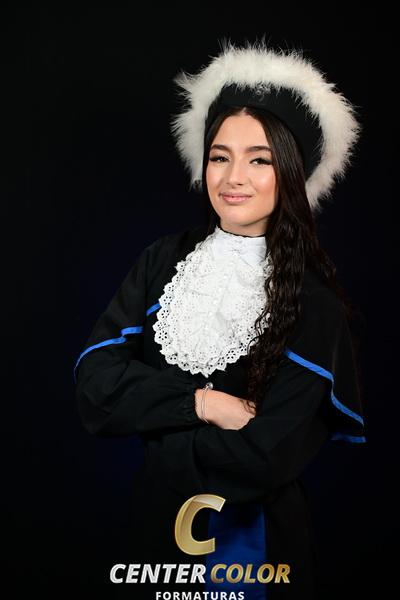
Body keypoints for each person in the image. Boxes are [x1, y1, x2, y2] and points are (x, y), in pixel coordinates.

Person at [74, 40, 367, 599]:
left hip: (257, 555)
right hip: (154, 542)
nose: (234, 177)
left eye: (259, 159)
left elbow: (264, 457)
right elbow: (94, 388)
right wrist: (201, 405)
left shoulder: (315, 304)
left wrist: (152, 427)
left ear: (291, 170)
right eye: (219, 156)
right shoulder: (162, 262)